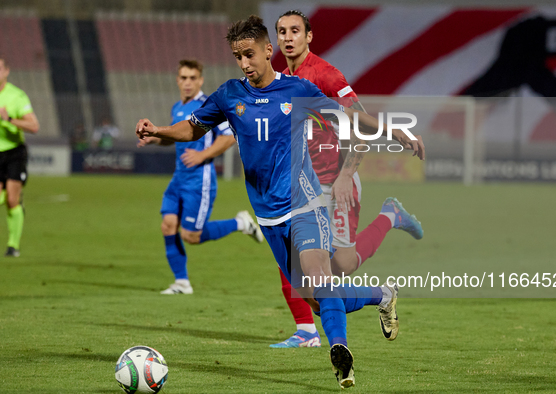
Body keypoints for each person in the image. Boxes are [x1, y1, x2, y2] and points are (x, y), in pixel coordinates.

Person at [136, 16, 425, 389]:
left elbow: (350, 117)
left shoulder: (297, 90)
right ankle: (382, 295)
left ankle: (340, 352)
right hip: (267, 216)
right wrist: (159, 130)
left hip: (305, 204)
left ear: (267, 51)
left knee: (320, 277)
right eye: (238, 56)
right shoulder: (229, 95)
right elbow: (193, 127)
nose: (244, 63)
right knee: (318, 300)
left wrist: (392, 131)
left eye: (250, 54)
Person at [270, 10, 425, 348]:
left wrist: (346, 175)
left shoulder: (325, 75)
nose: (288, 37)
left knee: (342, 265)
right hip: (304, 189)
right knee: (300, 267)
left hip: (335, 181)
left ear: (308, 36)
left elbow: (359, 124)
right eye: (282, 31)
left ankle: (390, 217)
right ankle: (308, 332)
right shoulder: (281, 80)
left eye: (295, 30)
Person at [138, 59, 264, 295]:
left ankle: (240, 223)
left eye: (193, 78)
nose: (188, 83)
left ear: (200, 80)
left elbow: (227, 137)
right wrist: (155, 138)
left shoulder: (208, 105)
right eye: (184, 78)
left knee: (191, 236)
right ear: (177, 80)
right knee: (168, 225)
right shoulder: (177, 107)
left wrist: (202, 155)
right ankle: (181, 282)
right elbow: (176, 138)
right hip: (179, 179)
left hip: (200, 180)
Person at [0, 57, 39, 257]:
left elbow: (33, 126)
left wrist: (9, 119)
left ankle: (13, 246)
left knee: (12, 200)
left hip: (14, 152)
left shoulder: (16, 96)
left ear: (6, 71)